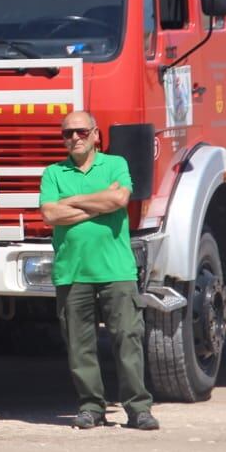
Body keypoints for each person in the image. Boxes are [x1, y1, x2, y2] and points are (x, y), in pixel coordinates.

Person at [40, 111, 159, 431]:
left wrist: (74, 201)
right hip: (72, 271)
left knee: (128, 339)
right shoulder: (52, 172)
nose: (74, 138)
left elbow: (120, 199)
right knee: (80, 344)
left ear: (95, 135)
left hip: (116, 270)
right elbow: (51, 214)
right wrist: (98, 202)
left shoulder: (116, 164)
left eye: (80, 132)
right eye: (67, 134)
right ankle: (91, 407)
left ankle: (138, 408)